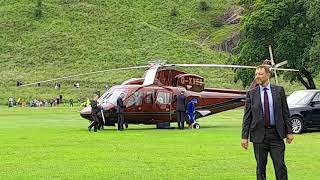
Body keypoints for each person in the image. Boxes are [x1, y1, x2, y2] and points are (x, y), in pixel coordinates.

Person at [241, 65, 294, 180]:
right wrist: (244, 137)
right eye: (256, 74)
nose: (257, 77)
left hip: (276, 134)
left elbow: (285, 112)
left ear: (268, 75)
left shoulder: (279, 90)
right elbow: (247, 117)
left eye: (260, 74)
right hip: (259, 136)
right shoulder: (251, 94)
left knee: (280, 166)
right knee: (260, 168)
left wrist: (289, 132)